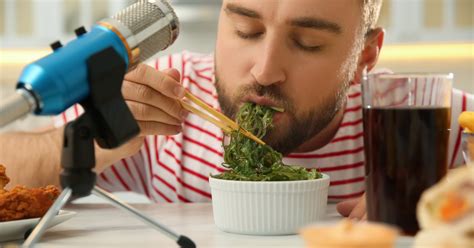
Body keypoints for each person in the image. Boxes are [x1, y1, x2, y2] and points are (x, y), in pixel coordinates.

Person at [1, 0, 472, 220]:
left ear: (364, 58)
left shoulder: (416, 116)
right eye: (246, 31)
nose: (265, 70)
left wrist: (449, 201)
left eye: (308, 43)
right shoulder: (170, 92)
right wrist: (96, 138)